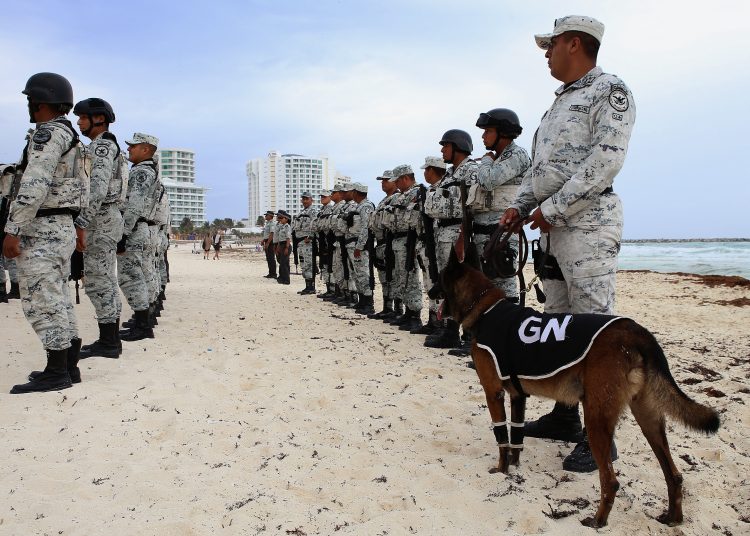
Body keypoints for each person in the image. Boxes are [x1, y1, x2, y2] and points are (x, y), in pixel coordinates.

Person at [500, 15, 636, 473]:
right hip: (552, 232)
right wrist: (519, 208)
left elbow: (604, 165)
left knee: (595, 331)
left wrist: (552, 210)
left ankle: (604, 439)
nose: (546, 52)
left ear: (574, 43)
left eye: (551, 44)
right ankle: (564, 416)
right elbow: (541, 171)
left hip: (589, 228)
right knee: (558, 325)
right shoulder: (558, 104)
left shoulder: (610, 92)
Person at [3, 72, 87, 393]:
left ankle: (56, 372)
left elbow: (35, 182)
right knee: (59, 299)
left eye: (29, 100)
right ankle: (68, 366)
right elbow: (84, 190)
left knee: (40, 301)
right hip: (62, 225)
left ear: (39, 102)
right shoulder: (72, 139)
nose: (28, 105)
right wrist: (79, 226)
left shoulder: (47, 135)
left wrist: (13, 229)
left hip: (42, 228)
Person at [72, 98, 126, 359]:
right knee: (105, 280)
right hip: (106, 220)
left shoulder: (102, 146)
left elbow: (97, 189)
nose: (79, 122)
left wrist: (81, 224)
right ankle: (110, 339)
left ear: (99, 119)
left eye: (83, 117)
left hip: (99, 221)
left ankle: (109, 342)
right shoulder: (106, 145)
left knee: (97, 281)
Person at [423, 129, 477, 348]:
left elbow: (472, 205)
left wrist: (464, 236)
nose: (442, 150)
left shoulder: (471, 170)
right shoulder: (452, 174)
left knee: (463, 286)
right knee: (449, 284)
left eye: (445, 146)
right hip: (444, 234)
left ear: (458, 147)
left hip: (459, 232)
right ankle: (451, 331)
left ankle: (470, 335)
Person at [474, 108, 531, 301]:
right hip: (484, 232)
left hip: (502, 233)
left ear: (503, 132)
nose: (483, 136)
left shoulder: (517, 155)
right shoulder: (496, 159)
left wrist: (485, 161)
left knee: (504, 283)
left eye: (488, 131)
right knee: (486, 287)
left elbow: (488, 180)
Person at [117, 132, 160, 342]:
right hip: (139, 227)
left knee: (130, 278)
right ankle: (143, 323)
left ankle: (143, 326)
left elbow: (134, 204)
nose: (128, 149)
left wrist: (123, 233)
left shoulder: (142, 172)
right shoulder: (147, 170)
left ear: (145, 149)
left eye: (133, 146)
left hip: (134, 228)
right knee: (137, 276)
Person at [386, 165, 423, 332]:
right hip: (398, 240)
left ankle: (415, 314)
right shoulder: (402, 196)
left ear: (406, 178)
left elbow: (415, 218)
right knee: (402, 277)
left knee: (412, 277)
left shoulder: (418, 192)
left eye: (398, 181)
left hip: (410, 239)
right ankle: (408, 312)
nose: (397, 185)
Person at [412, 157, 446, 335]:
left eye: (426, 170)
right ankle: (433, 321)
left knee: (438, 282)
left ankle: (441, 323)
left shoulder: (443, 188)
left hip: (439, 241)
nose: (424, 173)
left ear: (434, 170)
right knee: (428, 282)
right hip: (426, 242)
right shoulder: (428, 191)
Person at [367, 171, 399, 319]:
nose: (383, 183)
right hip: (380, 244)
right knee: (384, 277)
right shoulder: (383, 200)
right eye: (382, 181)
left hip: (390, 242)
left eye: (386, 180)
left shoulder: (396, 198)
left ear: (394, 181)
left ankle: (397, 310)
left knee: (394, 277)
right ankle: (387, 308)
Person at [345, 183, 375, 314]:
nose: (350, 194)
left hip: (359, 246)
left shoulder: (366, 206)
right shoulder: (359, 206)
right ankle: (362, 300)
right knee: (357, 274)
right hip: (353, 244)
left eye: (352, 191)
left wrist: (360, 246)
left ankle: (368, 303)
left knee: (363, 274)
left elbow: (365, 228)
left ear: (356, 192)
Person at [293, 192, 318, 294]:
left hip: (308, 242)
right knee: (303, 264)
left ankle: (311, 287)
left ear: (311, 200)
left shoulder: (313, 212)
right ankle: (307, 286)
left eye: (307, 199)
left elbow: (316, 225)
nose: (305, 201)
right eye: (303, 199)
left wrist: (311, 236)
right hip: (300, 242)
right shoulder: (301, 213)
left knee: (309, 264)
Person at [312, 191, 334, 297]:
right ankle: (328, 289)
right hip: (322, 240)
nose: (322, 198)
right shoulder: (322, 210)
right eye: (321, 196)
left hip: (328, 240)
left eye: (324, 197)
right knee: (324, 265)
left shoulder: (331, 209)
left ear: (330, 197)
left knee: (330, 265)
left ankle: (333, 290)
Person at [274, 211, 292, 284]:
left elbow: (288, 238)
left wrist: (287, 248)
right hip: (281, 245)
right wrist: (278, 247)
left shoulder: (287, 226)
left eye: (282, 218)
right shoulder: (282, 226)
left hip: (285, 245)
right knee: (282, 263)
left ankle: (286, 280)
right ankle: (282, 278)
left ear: (286, 219)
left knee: (283, 263)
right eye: (280, 218)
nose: (280, 219)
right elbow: (279, 238)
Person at [261, 210, 277, 276]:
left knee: (271, 258)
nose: (265, 216)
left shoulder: (272, 223)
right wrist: (263, 240)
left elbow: (272, 234)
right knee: (268, 258)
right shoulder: (267, 223)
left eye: (266, 215)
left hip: (270, 242)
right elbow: (267, 234)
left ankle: (273, 273)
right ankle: (270, 273)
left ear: (270, 216)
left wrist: (267, 243)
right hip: (267, 241)